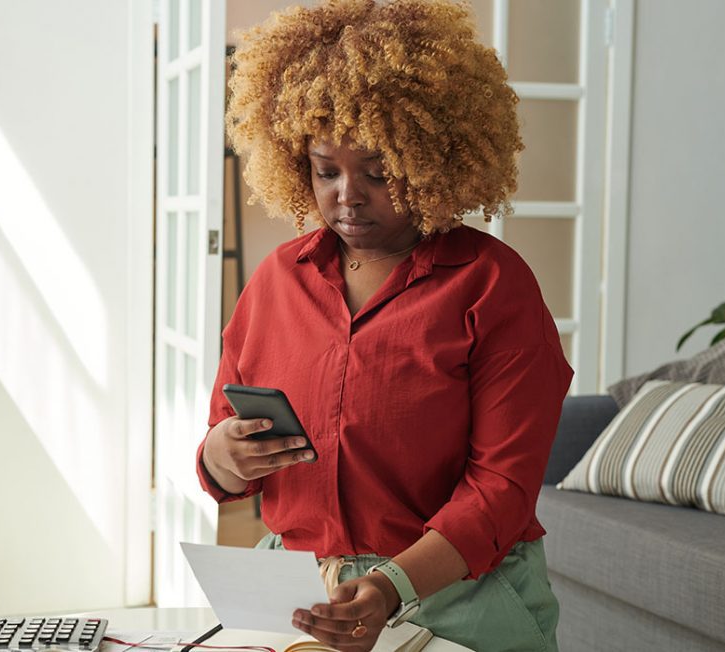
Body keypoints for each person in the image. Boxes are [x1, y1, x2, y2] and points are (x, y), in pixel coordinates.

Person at [196, 2, 573, 651]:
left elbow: (502, 489)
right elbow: (228, 461)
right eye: (326, 169)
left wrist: (391, 585)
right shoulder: (274, 283)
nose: (348, 193)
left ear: (432, 159)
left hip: (459, 594)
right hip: (297, 595)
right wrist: (220, 456)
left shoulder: (493, 287)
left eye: (378, 171)